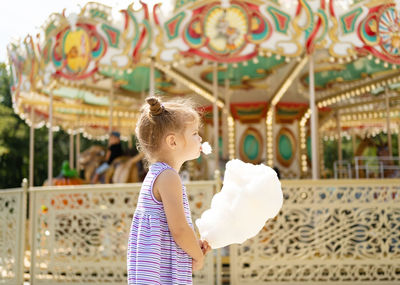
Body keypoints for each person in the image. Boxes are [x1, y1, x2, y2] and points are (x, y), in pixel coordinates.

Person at [127, 97, 211, 284]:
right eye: (195, 133)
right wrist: (198, 255)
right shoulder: (169, 177)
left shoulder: (157, 175)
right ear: (173, 142)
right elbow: (179, 229)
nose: (200, 138)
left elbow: (168, 229)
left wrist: (191, 247)